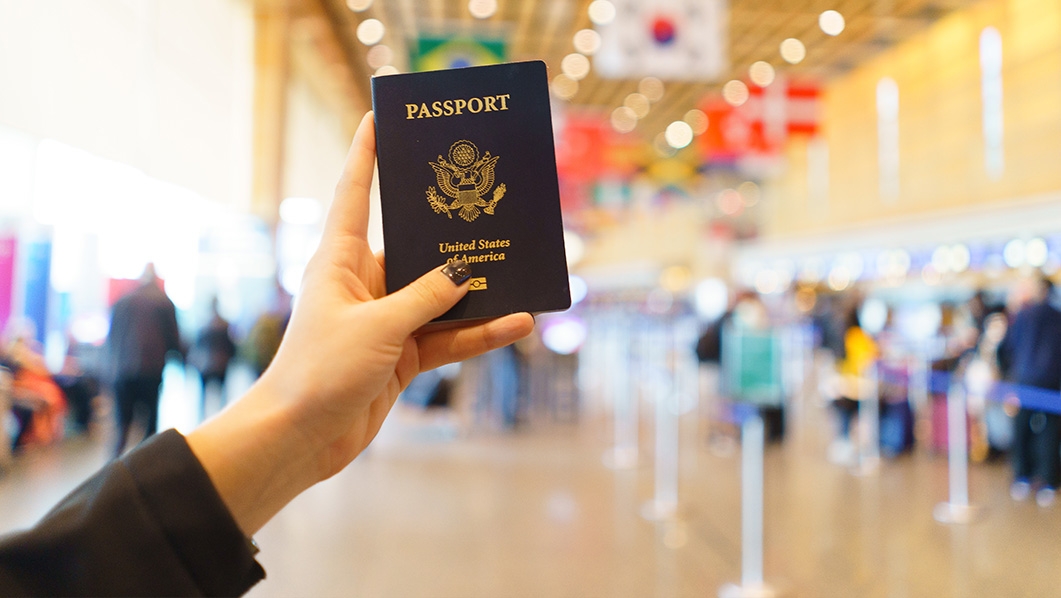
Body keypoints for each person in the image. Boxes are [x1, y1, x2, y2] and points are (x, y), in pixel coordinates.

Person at [0, 113, 535, 595]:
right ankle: (125, 445)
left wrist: (294, 423)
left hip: (125, 374)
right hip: (155, 376)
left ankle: (117, 448)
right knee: (147, 419)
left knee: (128, 424)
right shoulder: (161, 301)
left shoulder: (125, 306)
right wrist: (288, 418)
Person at [105, 263, 185, 457]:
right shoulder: (163, 301)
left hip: (123, 370)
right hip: (151, 368)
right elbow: (173, 338)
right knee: (150, 425)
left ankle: (111, 472)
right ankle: (145, 468)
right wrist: (182, 360)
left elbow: (112, 338)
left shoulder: (124, 301)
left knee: (122, 426)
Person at [997, 274, 1061, 508]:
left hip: (1025, 381)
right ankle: (1048, 481)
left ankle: (1022, 477)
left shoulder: (1023, 315)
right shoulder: (1058, 317)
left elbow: (1007, 348)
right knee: (1050, 431)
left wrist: (1009, 375)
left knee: (1022, 429)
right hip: (1052, 383)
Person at [191, 297, 237, 417]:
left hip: (207, 364)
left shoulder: (205, 325)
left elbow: (198, 346)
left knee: (204, 395)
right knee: (221, 394)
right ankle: (221, 416)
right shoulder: (223, 324)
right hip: (221, 363)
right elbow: (231, 346)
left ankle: (203, 418)